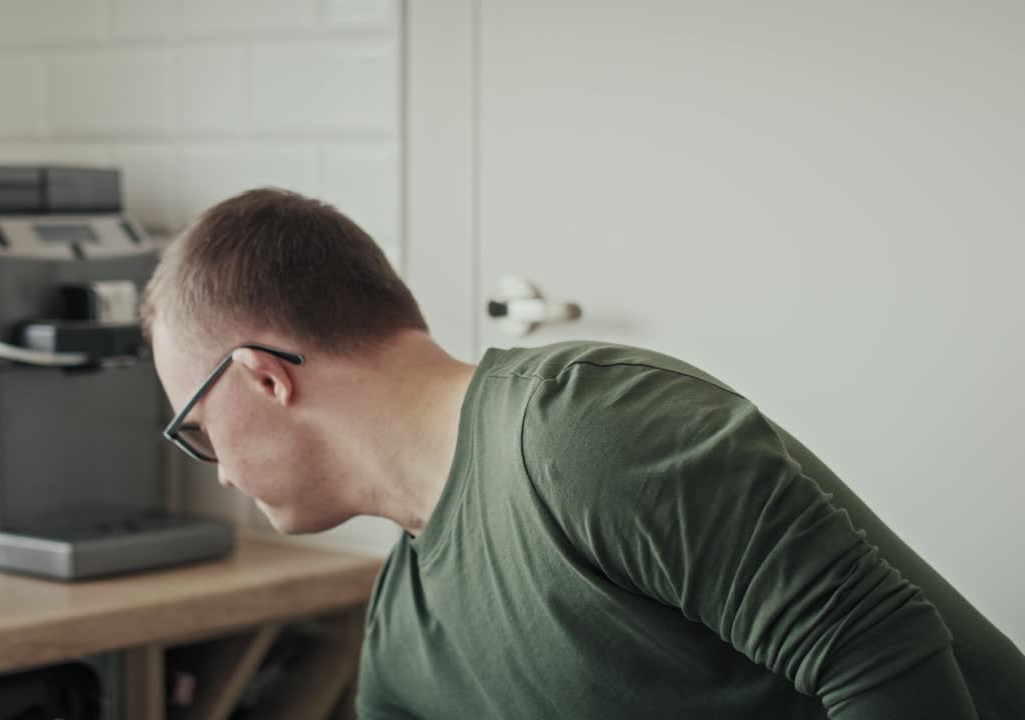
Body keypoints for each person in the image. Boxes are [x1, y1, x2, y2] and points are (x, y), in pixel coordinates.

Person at [139, 187, 1025, 719]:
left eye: (197, 425)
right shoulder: (405, 634)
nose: (214, 466)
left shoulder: (585, 433)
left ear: (262, 378)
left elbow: (885, 664)